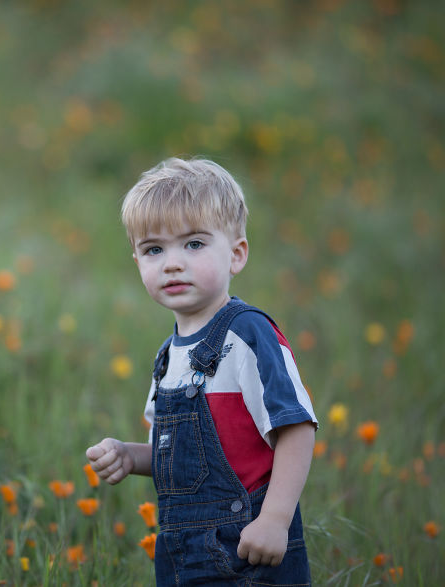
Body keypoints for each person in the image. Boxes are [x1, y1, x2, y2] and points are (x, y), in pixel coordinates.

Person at [86, 157, 318, 585]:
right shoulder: (167, 356)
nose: (172, 263)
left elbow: (297, 428)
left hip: (250, 548)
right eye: (154, 249)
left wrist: (275, 520)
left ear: (236, 254)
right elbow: (175, 463)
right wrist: (128, 454)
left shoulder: (248, 334)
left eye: (193, 244)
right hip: (182, 557)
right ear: (136, 261)